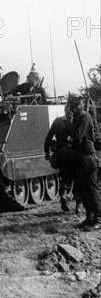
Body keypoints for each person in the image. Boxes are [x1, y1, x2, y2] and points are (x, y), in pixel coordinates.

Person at [67, 94, 101, 230]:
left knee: (92, 189)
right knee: (82, 189)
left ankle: (98, 219)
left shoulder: (84, 117)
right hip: (80, 157)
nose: (69, 107)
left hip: (87, 157)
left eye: (71, 105)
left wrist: (70, 138)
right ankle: (89, 217)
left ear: (75, 105)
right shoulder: (77, 117)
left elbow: (77, 137)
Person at [44, 105, 76, 212]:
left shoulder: (57, 121)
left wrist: (46, 152)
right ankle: (77, 204)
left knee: (64, 176)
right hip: (72, 152)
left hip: (60, 152)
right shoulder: (73, 121)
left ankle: (63, 194)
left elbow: (48, 137)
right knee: (76, 176)